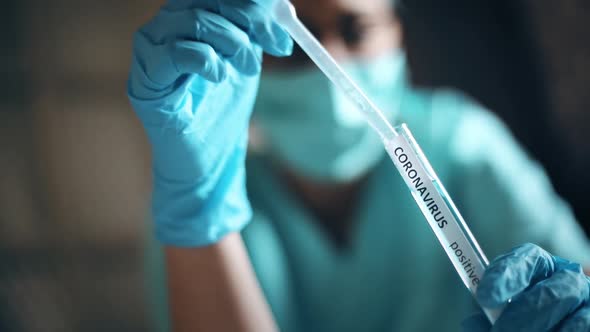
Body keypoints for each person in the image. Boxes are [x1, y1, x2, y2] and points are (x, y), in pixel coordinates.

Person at [128, 0, 590, 330]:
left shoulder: (461, 142)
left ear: (398, 31)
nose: (330, 64)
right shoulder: (205, 192)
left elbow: (578, 273)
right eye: (295, 41)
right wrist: (203, 217)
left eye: (356, 29)